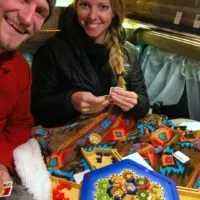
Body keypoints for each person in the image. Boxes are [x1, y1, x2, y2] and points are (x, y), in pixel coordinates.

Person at [31, 0, 150, 128]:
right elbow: (36, 110)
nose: (92, 16)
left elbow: (144, 103)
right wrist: (70, 101)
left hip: (114, 138)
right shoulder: (52, 51)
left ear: (115, 12)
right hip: (67, 139)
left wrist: (135, 102)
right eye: (85, 5)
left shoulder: (129, 52)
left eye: (103, 7)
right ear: (76, 7)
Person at [0, 0, 56, 196]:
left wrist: (2, 162)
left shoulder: (21, 69)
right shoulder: (52, 52)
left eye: (40, 11)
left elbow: (20, 123)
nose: (26, 18)